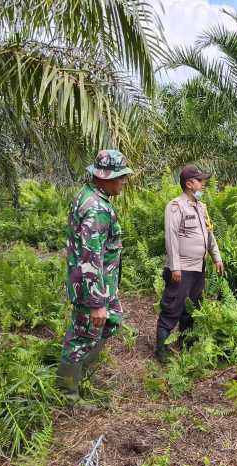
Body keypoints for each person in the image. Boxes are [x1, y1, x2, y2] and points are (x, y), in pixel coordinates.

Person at [57, 149, 132, 405]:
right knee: (80, 338)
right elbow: (89, 258)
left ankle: (83, 376)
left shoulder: (91, 197)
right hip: (92, 289)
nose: (123, 182)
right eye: (120, 177)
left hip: (102, 285)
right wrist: (97, 303)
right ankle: (67, 394)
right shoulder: (96, 209)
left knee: (110, 324)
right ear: (105, 178)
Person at [155, 164, 225, 363]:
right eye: (200, 181)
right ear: (188, 184)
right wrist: (175, 266)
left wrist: (216, 257)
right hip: (182, 269)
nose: (203, 184)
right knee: (172, 308)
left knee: (192, 308)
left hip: (198, 268)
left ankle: (186, 344)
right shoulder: (176, 206)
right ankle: (162, 350)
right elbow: (171, 237)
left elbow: (209, 234)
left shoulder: (201, 207)